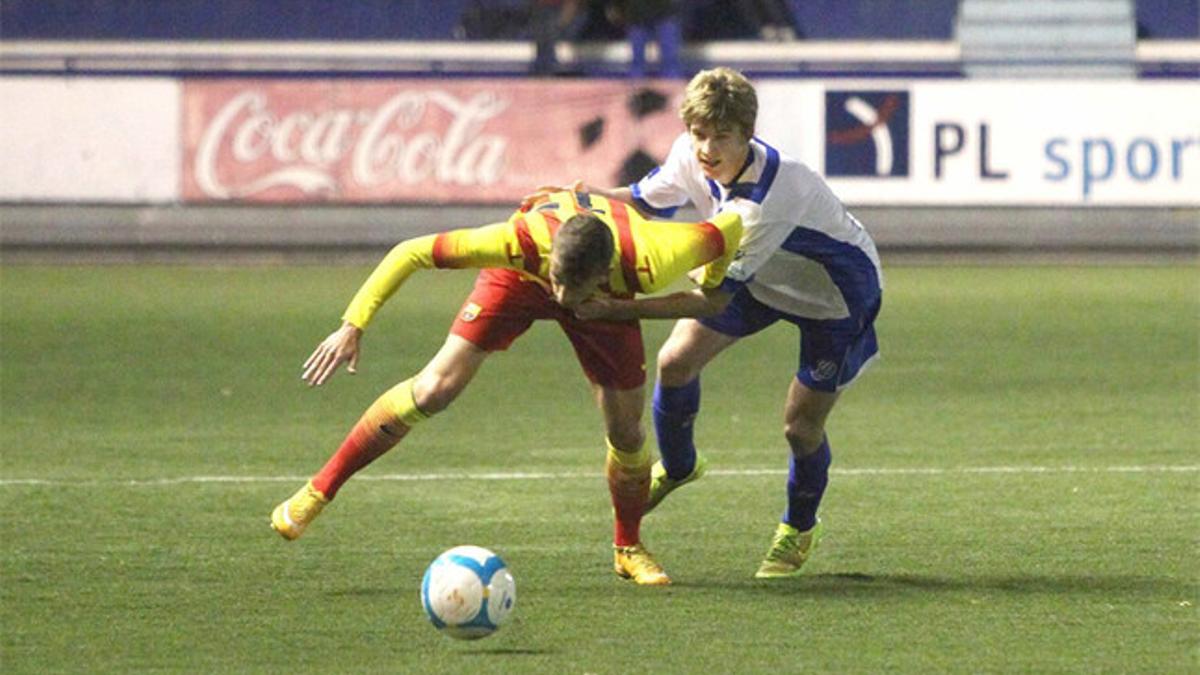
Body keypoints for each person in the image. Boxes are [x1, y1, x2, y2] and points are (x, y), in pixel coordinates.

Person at [270, 189, 742, 586]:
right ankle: (318, 491)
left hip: (608, 304)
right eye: (557, 282)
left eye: (569, 289)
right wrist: (353, 324)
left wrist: (700, 282)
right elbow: (409, 252)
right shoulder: (519, 243)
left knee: (628, 434)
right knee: (435, 388)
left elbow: (729, 230)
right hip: (520, 280)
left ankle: (628, 546)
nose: (559, 298)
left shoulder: (652, 257)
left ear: (603, 273)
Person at [541, 67, 882, 578]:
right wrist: (582, 198)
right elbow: (643, 199)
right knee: (675, 362)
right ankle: (679, 466)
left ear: (747, 134)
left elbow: (710, 301)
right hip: (761, 278)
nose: (706, 148)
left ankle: (797, 528)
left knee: (799, 425)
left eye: (721, 136)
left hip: (832, 298)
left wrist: (614, 310)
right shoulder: (689, 152)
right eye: (699, 133)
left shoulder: (766, 199)